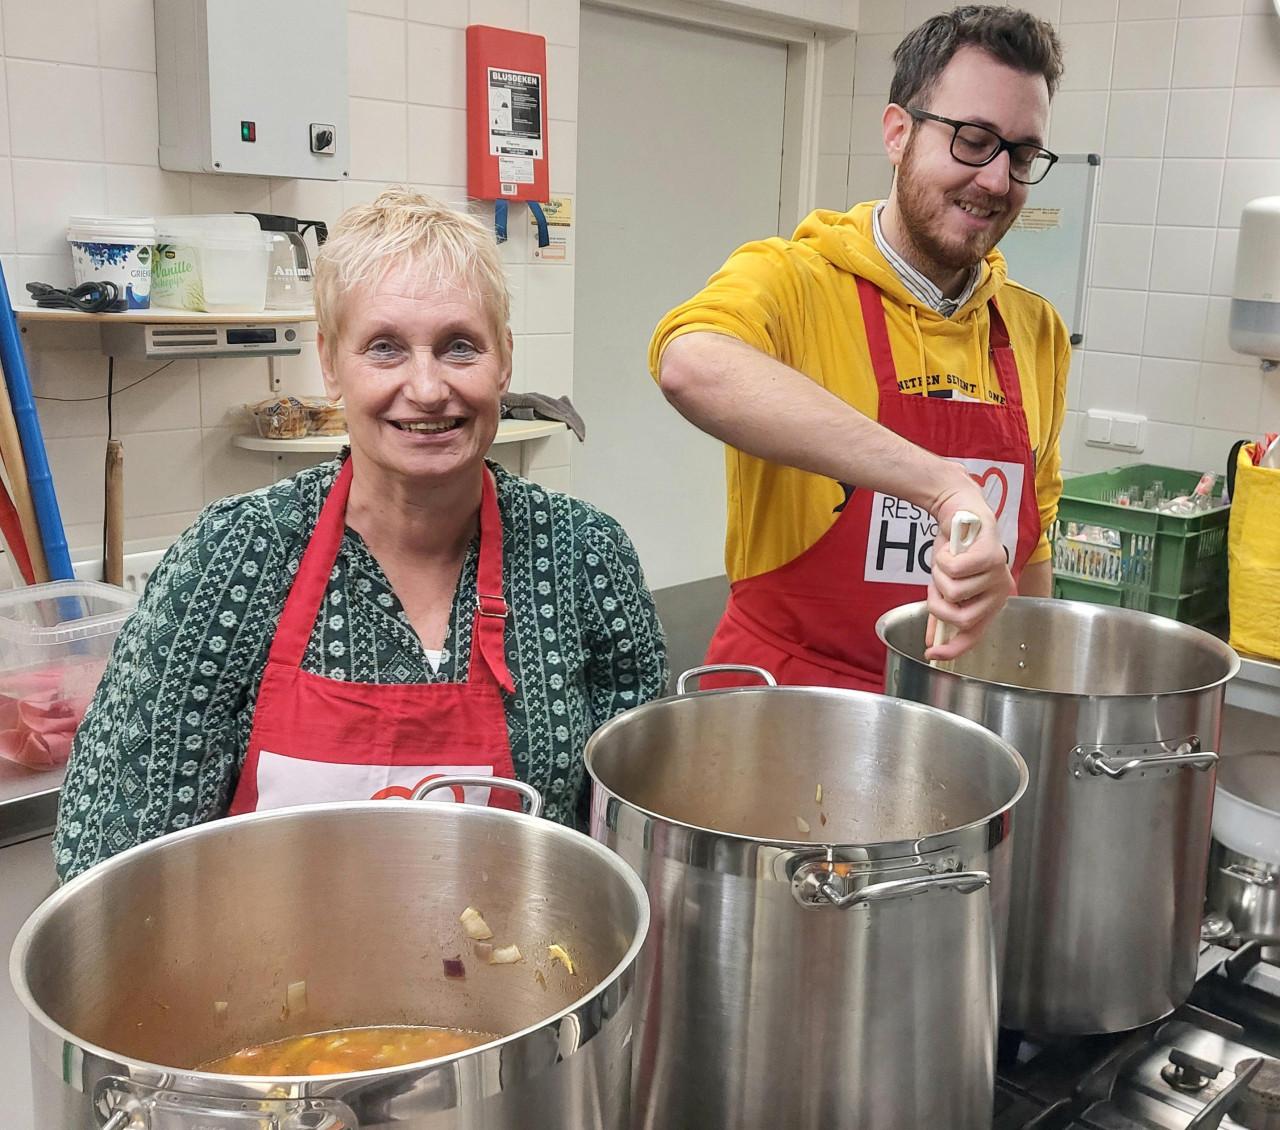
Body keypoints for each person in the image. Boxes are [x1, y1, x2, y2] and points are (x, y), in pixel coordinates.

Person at [54, 187, 668, 881]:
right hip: (259, 983)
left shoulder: (583, 557)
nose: (428, 387)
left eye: (459, 347)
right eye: (384, 349)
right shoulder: (235, 559)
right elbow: (115, 858)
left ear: (505, 362)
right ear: (330, 364)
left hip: (527, 979)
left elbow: (634, 847)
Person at [649, 5, 1069, 691]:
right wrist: (943, 487)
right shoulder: (792, 280)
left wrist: (1039, 697)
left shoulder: (1034, 329)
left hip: (955, 720)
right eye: (971, 139)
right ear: (898, 133)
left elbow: (1033, 545)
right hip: (783, 711)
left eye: (1021, 154)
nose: (996, 179)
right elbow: (692, 363)